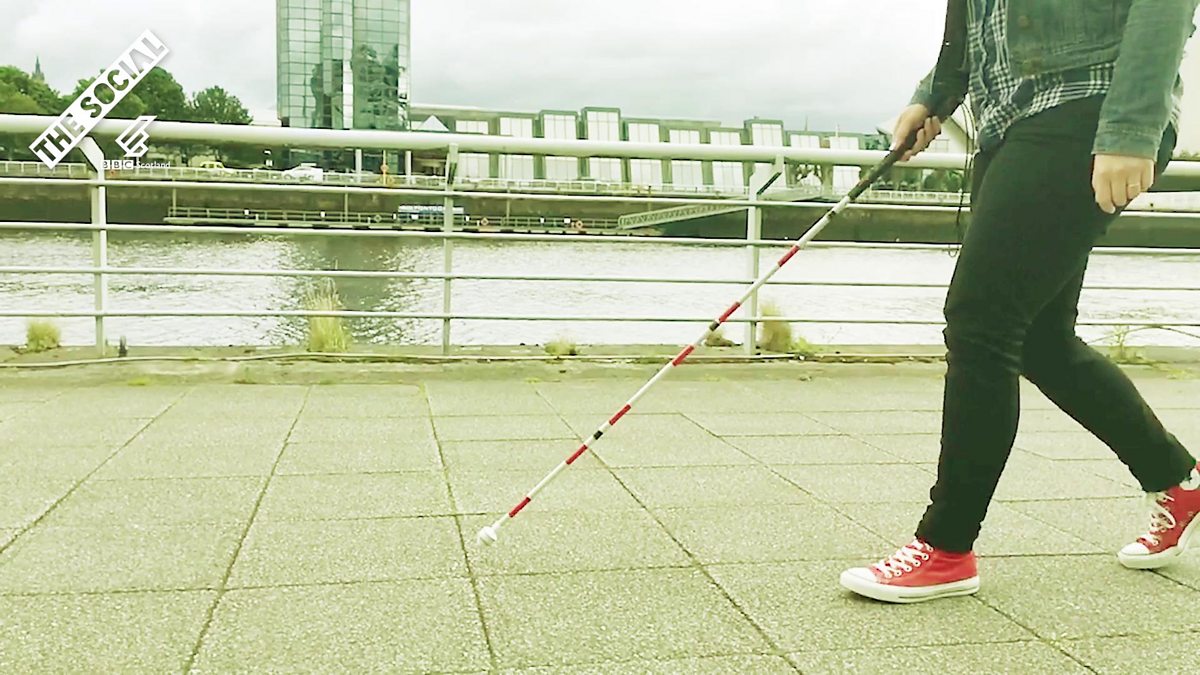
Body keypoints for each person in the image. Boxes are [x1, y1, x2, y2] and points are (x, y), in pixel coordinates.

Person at [840, 0, 1200, 604]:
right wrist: (933, 98)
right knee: (1039, 338)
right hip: (1009, 123)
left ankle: (946, 547)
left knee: (981, 321)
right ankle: (1175, 478)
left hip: (1088, 104)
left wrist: (1133, 126)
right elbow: (975, 28)